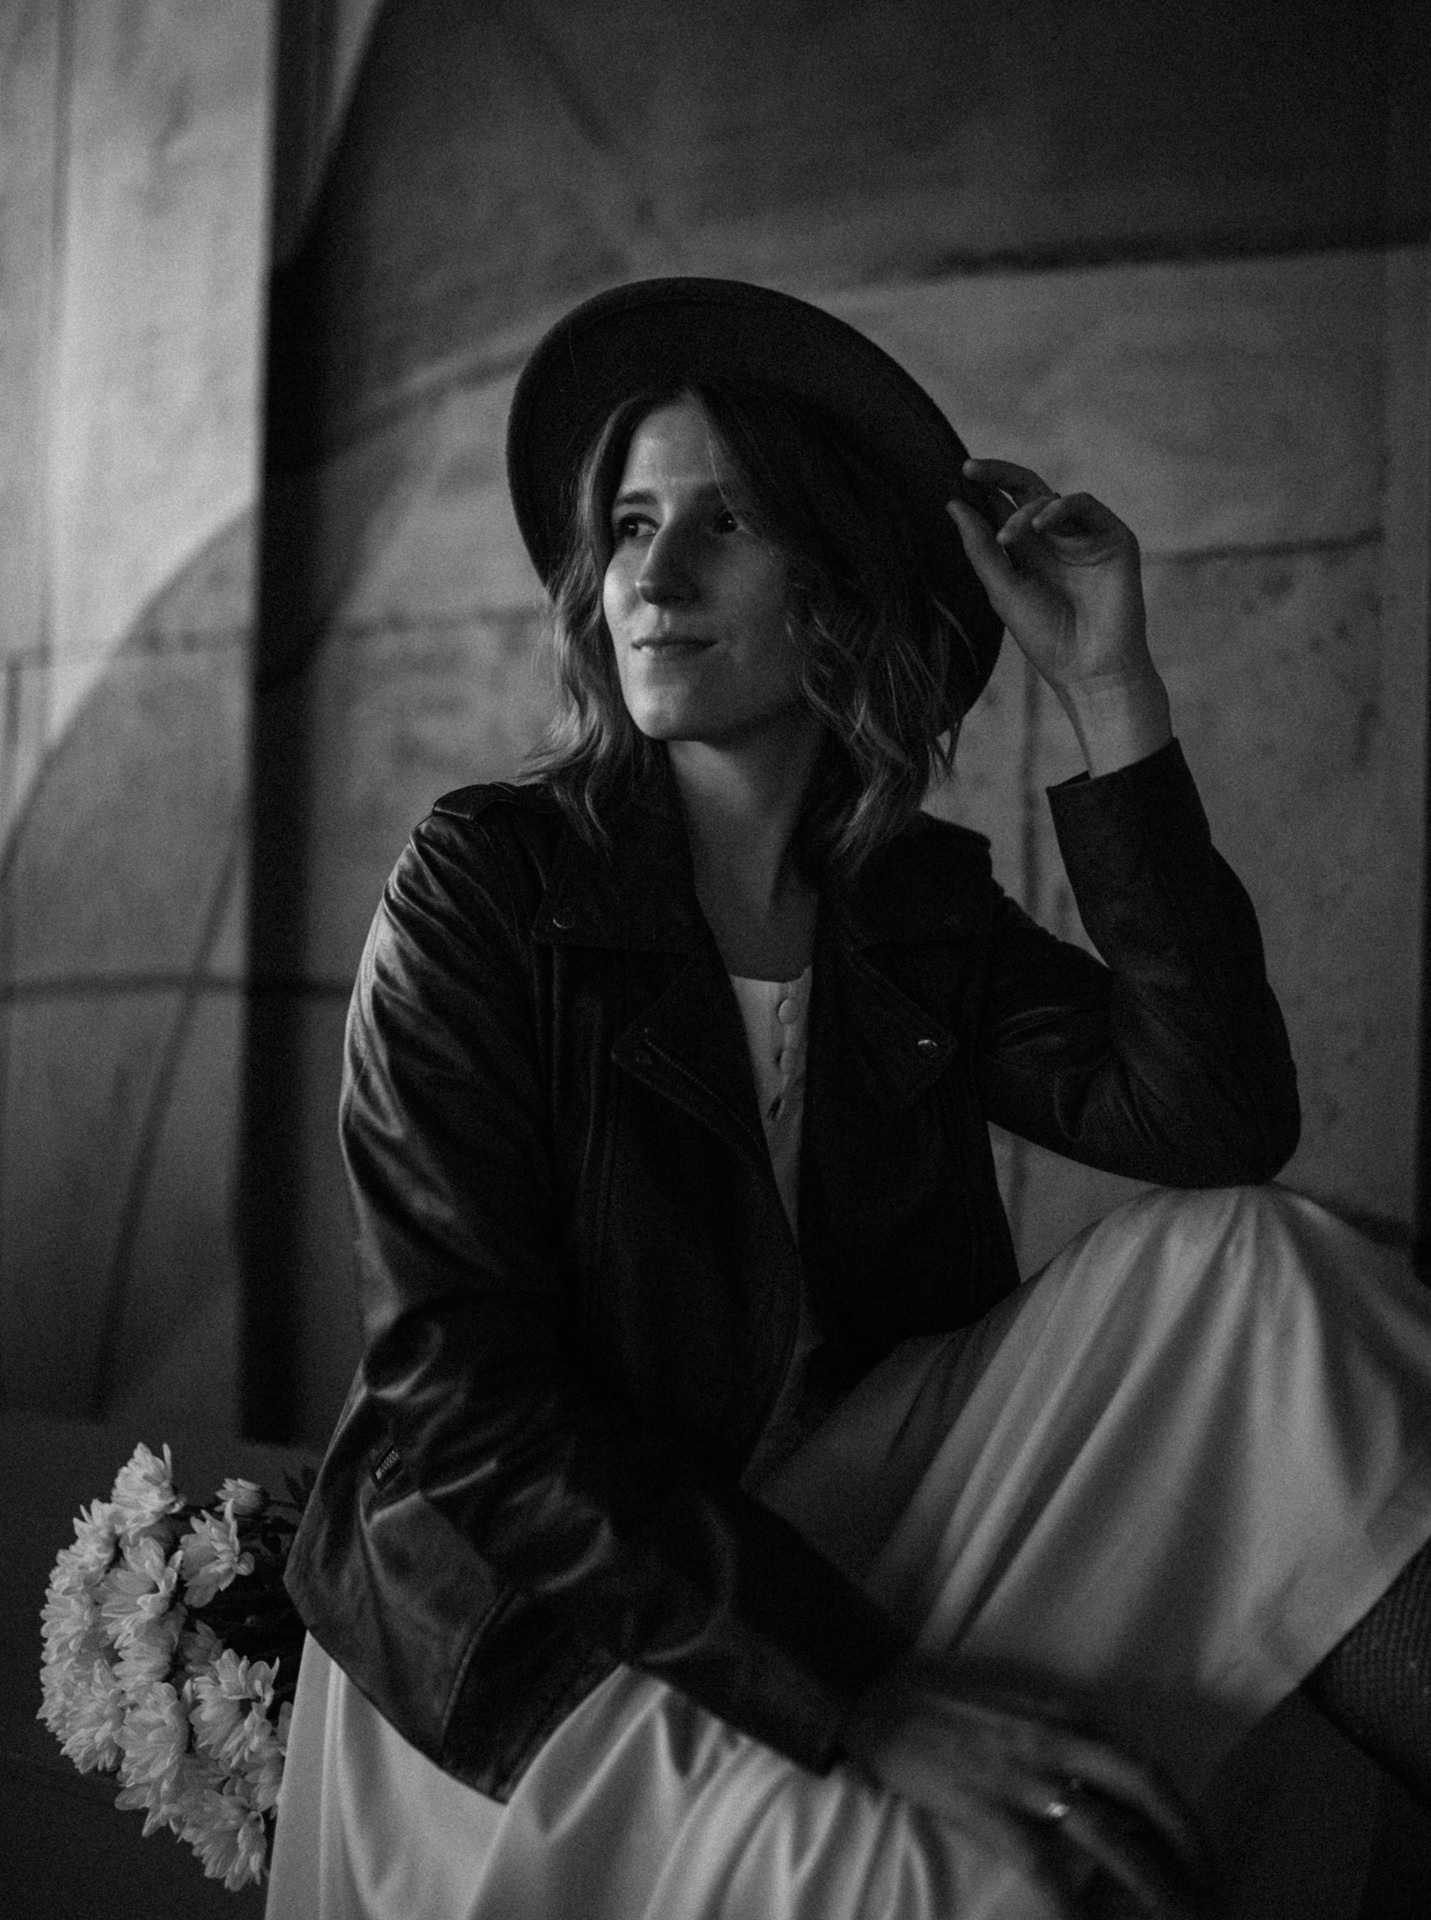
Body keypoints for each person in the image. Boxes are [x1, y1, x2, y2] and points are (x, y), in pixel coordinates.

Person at [271, 278, 1431, 1920]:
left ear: (837, 580)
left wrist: (1111, 694)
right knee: (969, 1863)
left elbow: (1213, 1121)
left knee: (1259, 1266)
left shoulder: (907, 904)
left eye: (724, 522)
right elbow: (460, 1396)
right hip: (538, 1639)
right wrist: (871, 1702)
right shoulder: (491, 882)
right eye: (629, 527)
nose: (653, 577)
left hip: (826, 1521)